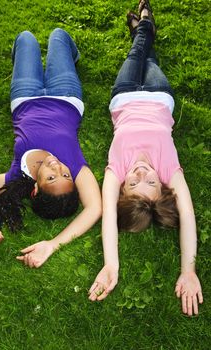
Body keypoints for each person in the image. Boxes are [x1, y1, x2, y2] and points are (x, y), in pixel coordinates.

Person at [89, 0, 203, 316]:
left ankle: (143, 27)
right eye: (149, 181)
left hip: (124, 95)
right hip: (158, 94)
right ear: (163, 184)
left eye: (133, 181)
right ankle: (144, 25)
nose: (140, 172)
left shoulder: (115, 170)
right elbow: (188, 216)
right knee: (147, 56)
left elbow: (109, 216)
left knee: (136, 55)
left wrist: (111, 264)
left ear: (122, 189)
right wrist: (188, 269)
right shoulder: (169, 168)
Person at [0, 28, 101, 267]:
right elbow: (95, 208)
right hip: (66, 95)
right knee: (58, 35)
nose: (57, 167)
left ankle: (27, 59)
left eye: (52, 177)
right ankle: (72, 56)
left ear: (35, 189)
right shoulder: (76, 165)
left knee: (25, 38)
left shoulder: (16, 176)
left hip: (24, 97)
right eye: (65, 174)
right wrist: (53, 244)